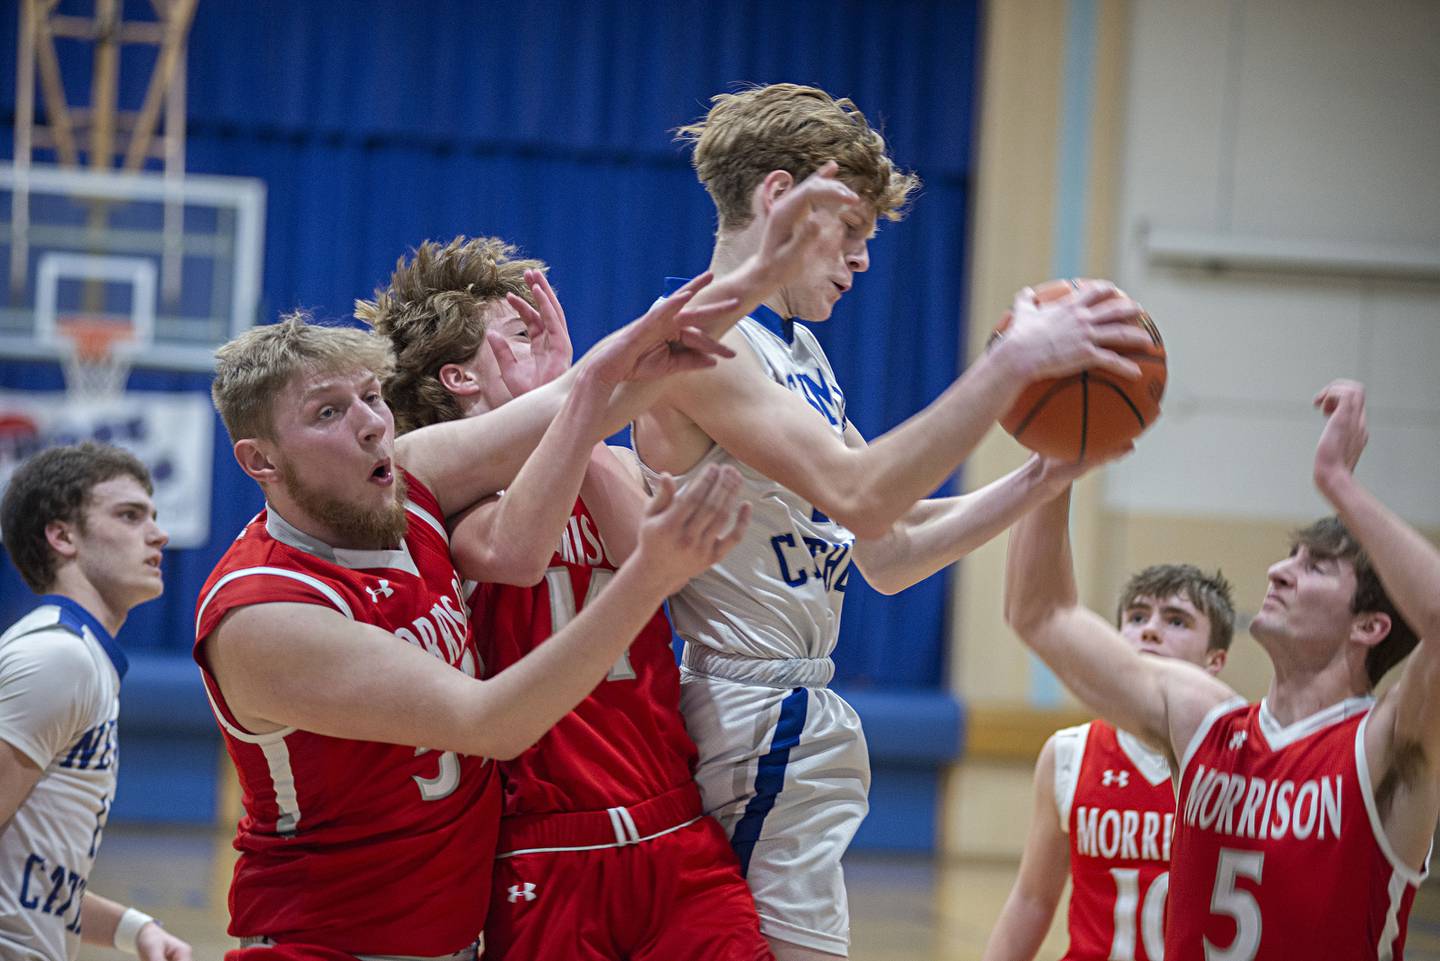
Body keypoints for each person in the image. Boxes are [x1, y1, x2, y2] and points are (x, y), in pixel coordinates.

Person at [629, 82, 1154, 959]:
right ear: (779, 198)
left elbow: (889, 548)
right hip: (748, 706)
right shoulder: (700, 344)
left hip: (792, 706)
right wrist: (1010, 367)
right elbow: (863, 490)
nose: (865, 261)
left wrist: (1041, 475)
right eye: (855, 232)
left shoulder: (801, 357)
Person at [195, 293, 757, 961]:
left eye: (372, 397)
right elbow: (490, 722)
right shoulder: (262, 611)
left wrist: (763, 266)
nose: (372, 425)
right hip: (325, 944)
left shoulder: (412, 480)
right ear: (261, 462)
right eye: (327, 413)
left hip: (462, 936)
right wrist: (649, 576)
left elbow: (583, 399)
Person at [362, 235, 774, 960]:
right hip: (547, 850)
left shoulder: (604, 460)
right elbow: (515, 558)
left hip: (674, 830)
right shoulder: (443, 503)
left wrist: (573, 410)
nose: (551, 349)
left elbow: (654, 560)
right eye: (520, 333)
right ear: (459, 376)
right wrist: (569, 404)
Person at [1004, 379, 1434, 960]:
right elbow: (1040, 612)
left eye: (1317, 568)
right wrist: (1054, 459)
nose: (1280, 572)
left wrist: (1338, 485)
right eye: (1289, 557)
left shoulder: (1388, 741)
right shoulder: (1204, 722)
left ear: (1369, 626)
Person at [983, 564, 1236, 961]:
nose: (1150, 629)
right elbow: (1033, 899)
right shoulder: (1068, 753)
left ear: (1214, 661)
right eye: (1137, 617)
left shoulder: (1236, 756)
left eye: (1176, 621)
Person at [0, 442, 192, 961]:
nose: (159, 533)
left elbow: (29, 876)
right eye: (130, 516)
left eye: (153, 515)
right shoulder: (57, 657)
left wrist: (133, 928)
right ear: (62, 536)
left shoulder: (80, 658)